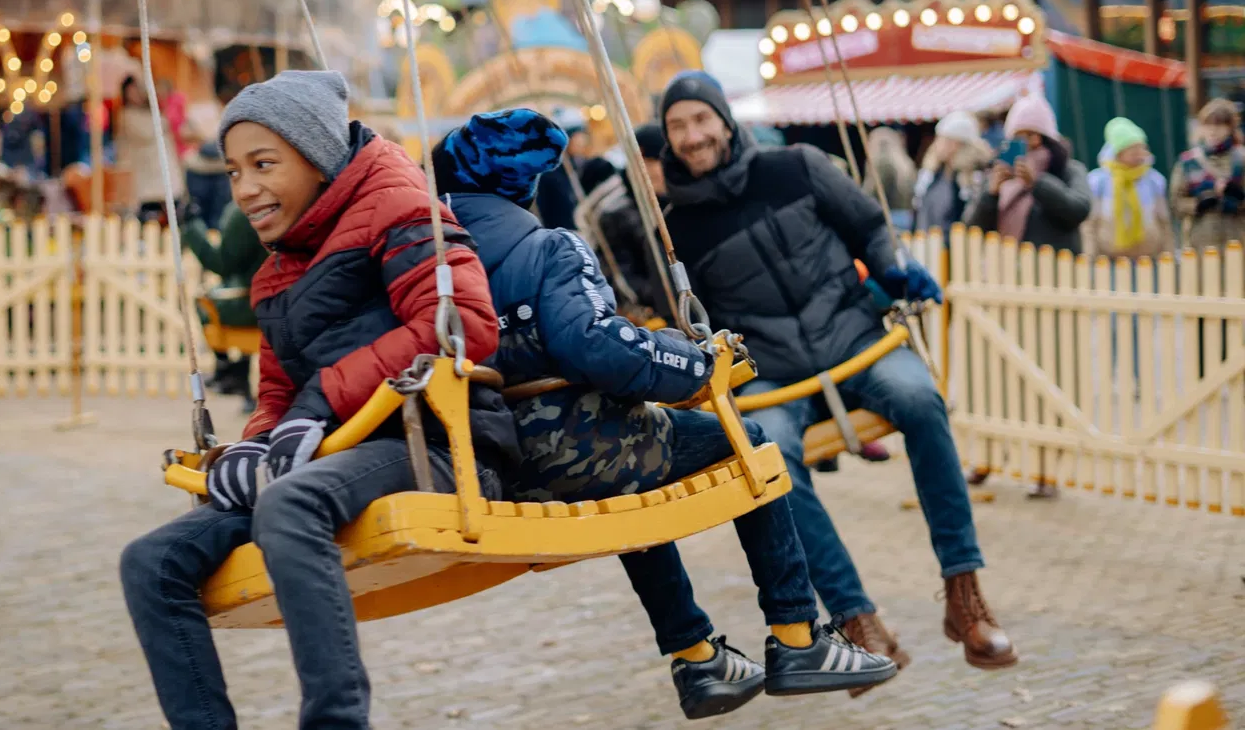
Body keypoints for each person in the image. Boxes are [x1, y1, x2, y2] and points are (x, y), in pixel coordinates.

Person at [432, 109, 898, 718]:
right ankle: (797, 635)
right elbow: (594, 344)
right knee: (749, 442)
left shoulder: (427, 264)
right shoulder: (545, 247)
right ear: (520, 183)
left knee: (629, 491)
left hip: (497, 466)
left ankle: (697, 654)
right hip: (579, 449)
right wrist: (697, 365)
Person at [119, 71, 518, 730]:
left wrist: (319, 403)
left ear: (317, 156)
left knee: (288, 502)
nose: (245, 188)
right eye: (234, 171)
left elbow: (463, 325)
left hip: (437, 443)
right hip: (333, 457)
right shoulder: (279, 268)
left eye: (263, 165)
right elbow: (276, 388)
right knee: (151, 562)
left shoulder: (399, 205)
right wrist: (255, 440)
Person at [657, 70, 1016, 676]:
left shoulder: (795, 166)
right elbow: (692, 318)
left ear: (724, 119)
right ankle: (856, 617)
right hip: (771, 368)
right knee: (768, 457)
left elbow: (869, 227)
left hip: (852, 337)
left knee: (921, 400)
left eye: (700, 119)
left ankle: (964, 591)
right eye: (677, 127)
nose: (693, 137)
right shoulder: (677, 227)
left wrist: (894, 271)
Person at [965, 95, 1091, 253]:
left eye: (1033, 134)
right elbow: (972, 229)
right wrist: (991, 194)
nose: (1030, 142)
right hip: (1006, 266)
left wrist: (1037, 183)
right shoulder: (996, 171)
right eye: (1019, 136)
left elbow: (1079, 210)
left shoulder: (1068, 169)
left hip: (1055, 269)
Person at [583, 121, 673, 320]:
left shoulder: (685, 201)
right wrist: (669, 298)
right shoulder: (616, 215)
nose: (646, 171)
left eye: (652, 160)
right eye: (640, 163)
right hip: (656, 315)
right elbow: (621, 277)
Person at [182, 197, 266, 407]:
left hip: (253, 302)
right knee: (229, 291)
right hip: (276, 295)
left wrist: (192, 227)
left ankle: (226, 367)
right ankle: (237, 377)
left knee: (205, 303)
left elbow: (222, 263)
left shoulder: (244, 210)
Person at [1085, 117, 1174, 260]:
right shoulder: (1099, 181)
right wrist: (1090, 255)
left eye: (1142, 149)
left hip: (1147, 258)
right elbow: (1090, 223)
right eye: (1133, 151)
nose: (1139, 155)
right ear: (1119, 154)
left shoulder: (1153, 180)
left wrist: (1168, 253)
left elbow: (1164, 221)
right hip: (1110, 258)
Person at [1169, 98, 1245, 251]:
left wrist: (1237, 196)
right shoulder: (1188, 162)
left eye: (1219, 125)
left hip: (1237, 240)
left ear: (1230, 128)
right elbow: (1176, 203)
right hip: (1199, 242)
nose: (1213, 131)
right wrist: (1198, 203)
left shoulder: (1241, 159)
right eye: (1208, 125)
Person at [913, 111, 992, 237]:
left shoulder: (970, 178)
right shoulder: (932, 174)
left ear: (957, 143)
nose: (937, 144)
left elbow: (970, 219)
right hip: (926, 245)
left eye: (942, 139)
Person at [117, 76, 183, 222]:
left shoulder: (153, 112)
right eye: (131, 91)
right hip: (146, 174)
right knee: (151, 215)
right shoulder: (127, 116)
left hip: (164, 169)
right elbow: (147, 133)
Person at [865, 127, 917, 232]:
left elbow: (872, 195)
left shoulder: (881, 165)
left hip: (888, 220)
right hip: (906, 218)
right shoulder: (905, 166)